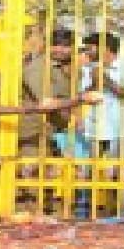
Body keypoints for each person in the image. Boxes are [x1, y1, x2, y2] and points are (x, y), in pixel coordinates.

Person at [79, 32, 124, 159]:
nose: (86, 52)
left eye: (89, 48)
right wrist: (95, 83)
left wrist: (108, 82)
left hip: (122, 131)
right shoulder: (88, 69)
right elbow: (82, 97)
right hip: (93, 130)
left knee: (120, 173)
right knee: (89, 174)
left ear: (105, 48)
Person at [20, 30, 81, 159]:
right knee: (32, 172)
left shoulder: (65, 66)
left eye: (66, 46)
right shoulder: (37, 67)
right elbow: (47, 101)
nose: (60, 49)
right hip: (34, 132)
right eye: (56, 45)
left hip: (54, 130)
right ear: (47, 46)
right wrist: (73, 119)